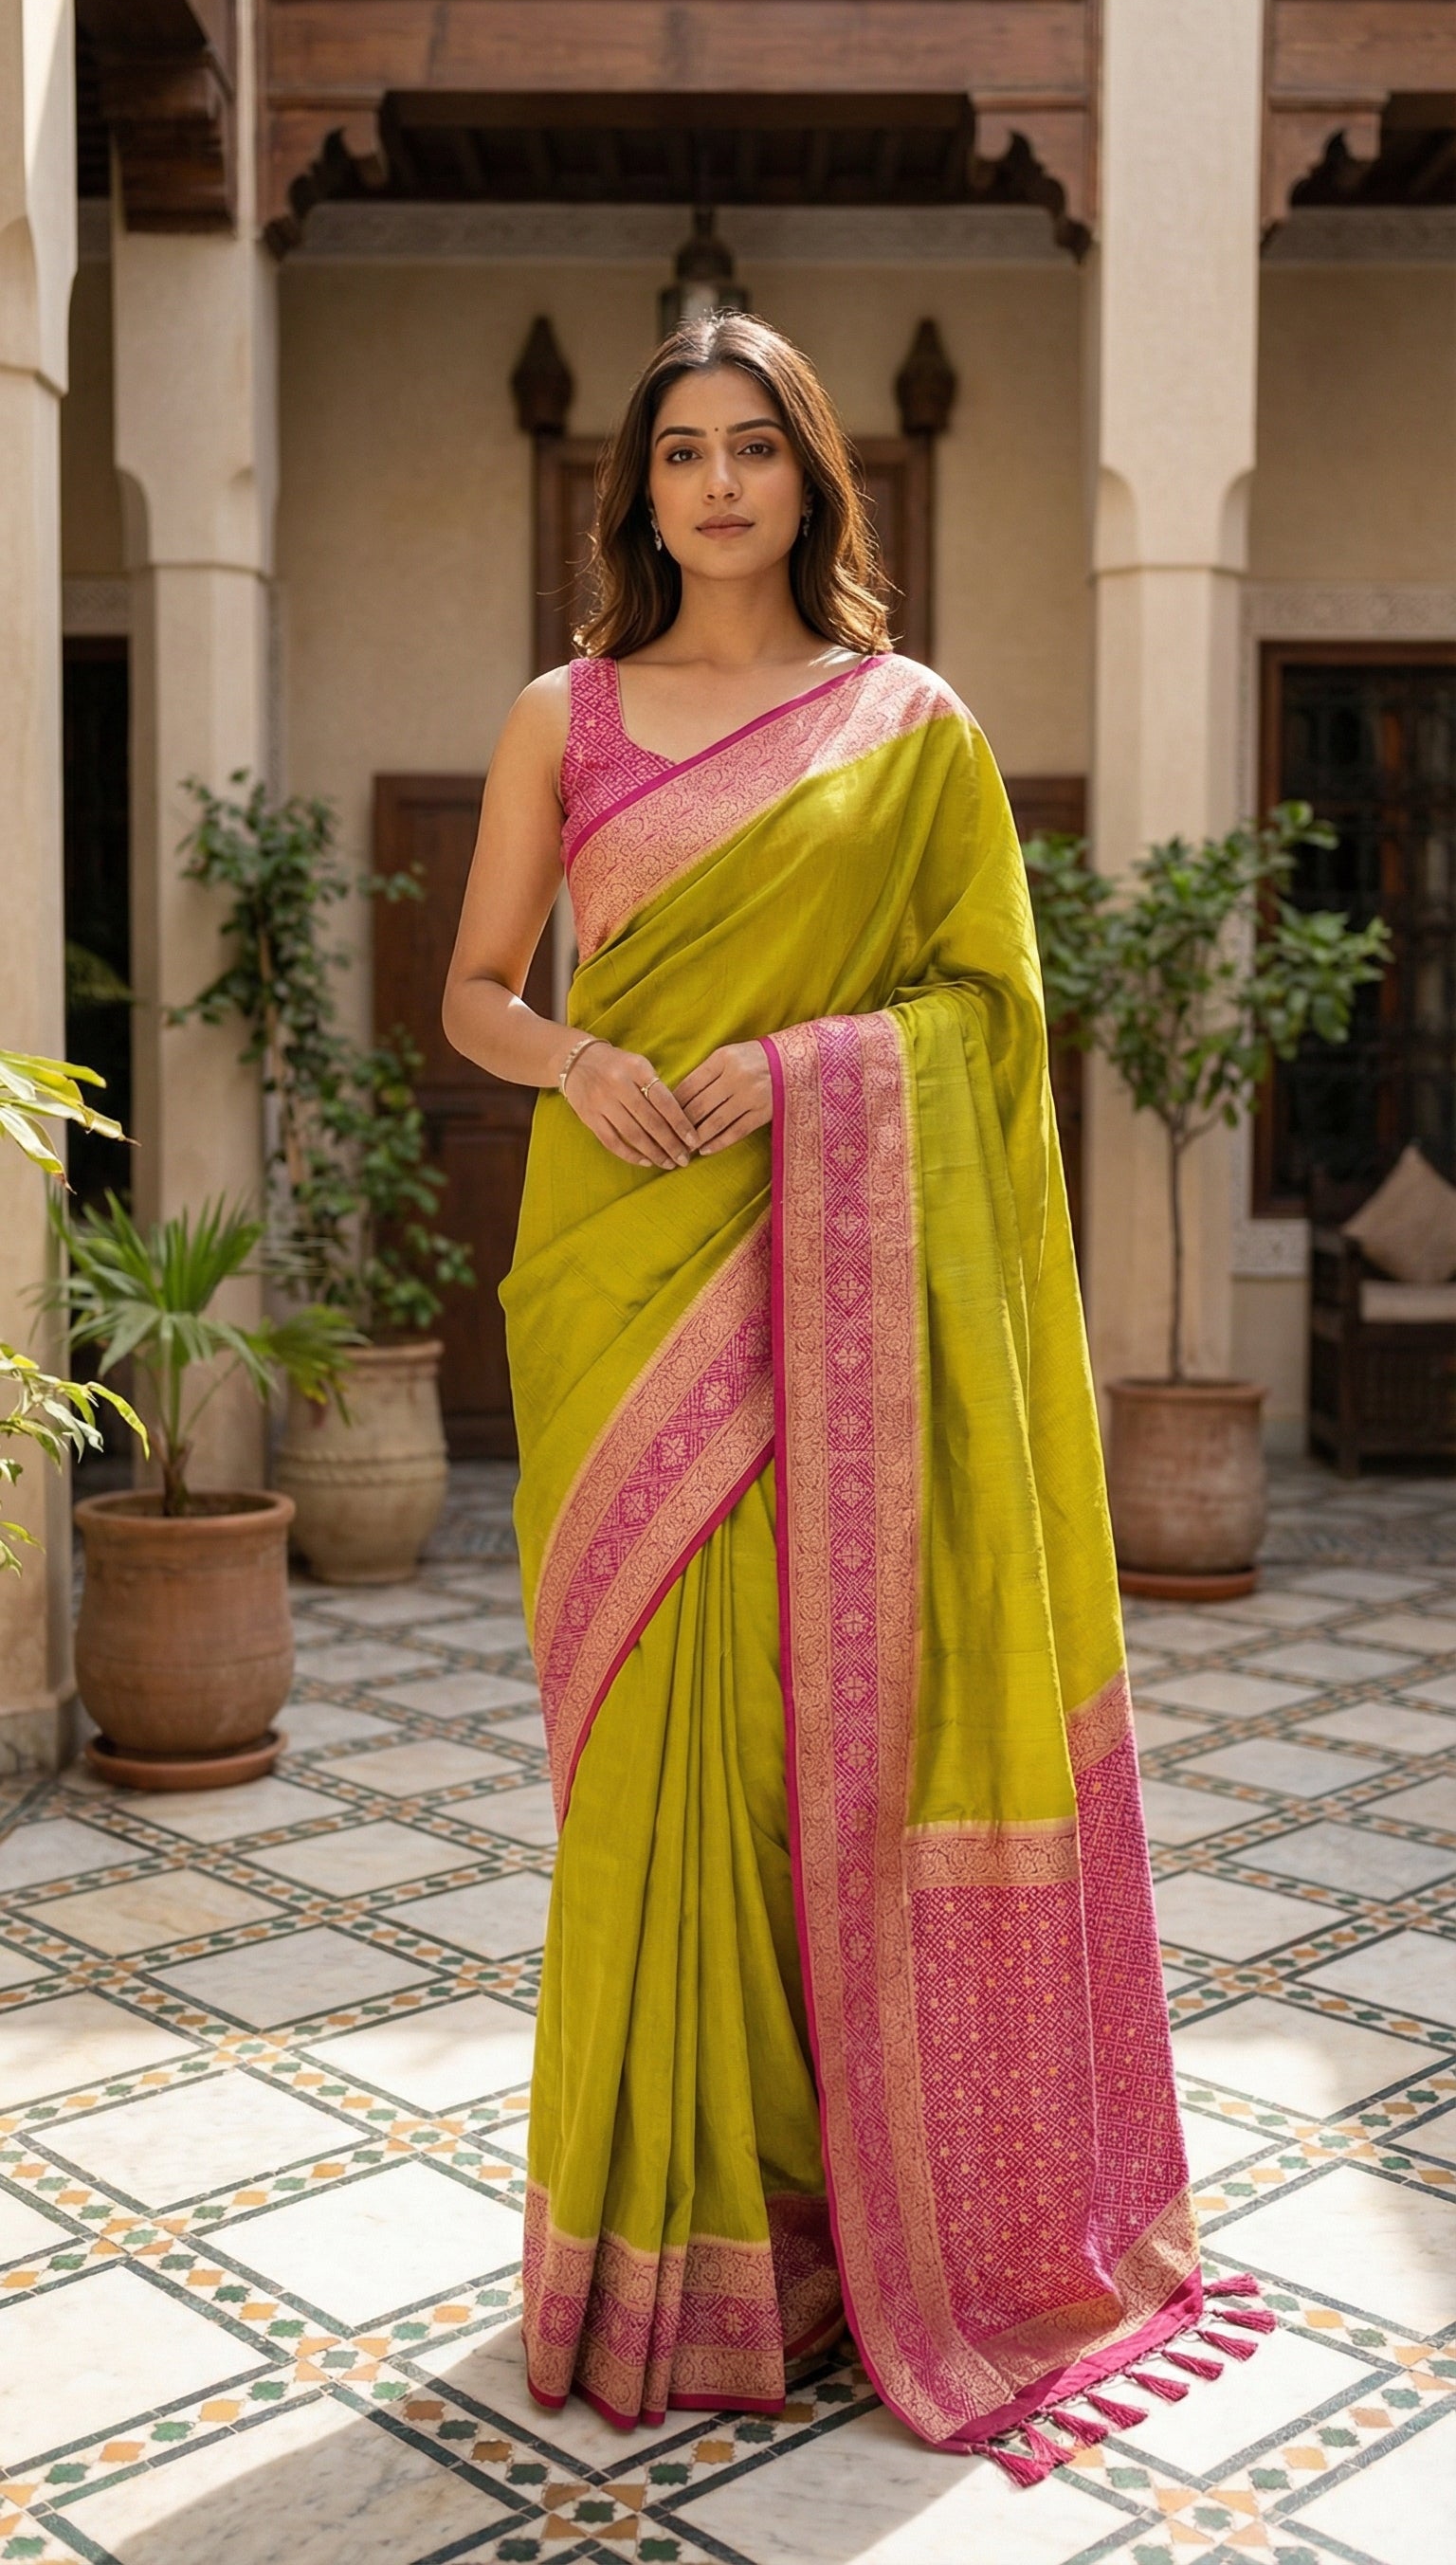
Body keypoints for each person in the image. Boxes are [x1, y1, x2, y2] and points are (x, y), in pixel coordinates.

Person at [443, 311, 1255, 2482]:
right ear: (639, 488)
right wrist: (585, 1054)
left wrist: (806, 1069)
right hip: (620, 1277)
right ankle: (655, 2251)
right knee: (652, 1767)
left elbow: (987, 1013)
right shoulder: (565, 714)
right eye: (680, 452)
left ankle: (831, 2233)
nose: (716, 486)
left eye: (753, 450)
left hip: (828, 1288)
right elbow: (475, 992)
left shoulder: (910, 729)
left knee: (832, 1741)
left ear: (813, 478)